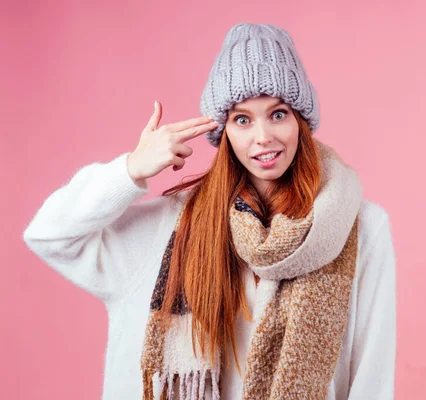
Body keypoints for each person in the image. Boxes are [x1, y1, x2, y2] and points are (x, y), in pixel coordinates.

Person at [23, 22, 397, 400]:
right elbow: (50, 236)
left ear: (300, 120)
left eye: (278, 114)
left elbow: (372, 376)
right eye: (242, 119)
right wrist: (131, 169)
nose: (263, 136)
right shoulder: (173, 225)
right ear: (224, 131)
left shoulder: (361, 227)